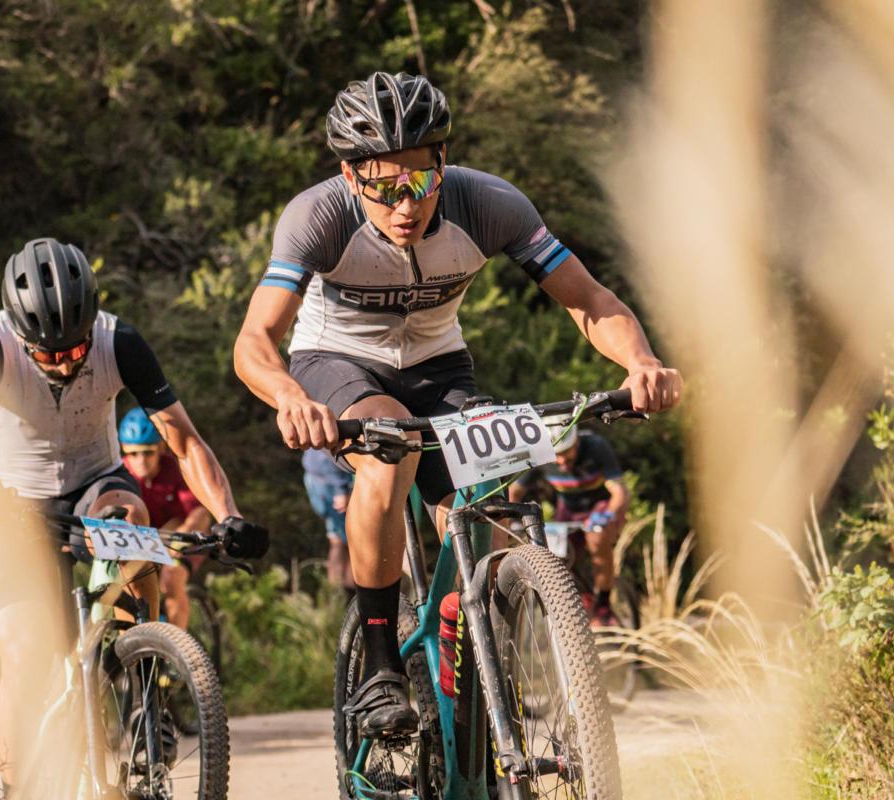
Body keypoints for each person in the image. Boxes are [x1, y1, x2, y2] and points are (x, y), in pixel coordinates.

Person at [232, 71, 682, 739]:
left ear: (442, 161)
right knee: (390, 455)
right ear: (351, 177)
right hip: (336, 361)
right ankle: (380, 664)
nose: (406, 204)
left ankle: (466, 655)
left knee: (487, 504)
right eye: (384, 187)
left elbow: (588, 300)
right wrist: (290, 398)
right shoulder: (317, 216)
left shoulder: (489, 204)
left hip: (440, 365)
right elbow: (254, 341)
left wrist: (640, 362)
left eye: (420, 180)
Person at [0, 237, 266, 795]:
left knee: (130, 515)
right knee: (22, 650)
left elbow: (183, 442)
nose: (66, 362)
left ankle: (145, 681)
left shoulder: (118, 341)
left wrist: (227, 514)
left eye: (76, 348)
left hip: (94, 481)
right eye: (49, 354)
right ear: (22, 336)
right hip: (9, 496)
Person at [508, 421, 628, 627]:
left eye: (567, 453)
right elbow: (514, 492)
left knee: (596, 538)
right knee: (554, 555)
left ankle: (603, 606)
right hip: (569, 510)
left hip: (599, 506)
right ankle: (580, 596)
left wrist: (607, 516)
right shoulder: (538, 455)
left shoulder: (596, 446)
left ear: (577, 442)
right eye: (557, 454)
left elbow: (620, 492)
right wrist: (510, 520)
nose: (562, 461)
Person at [118, 407, 213, 629]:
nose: (141, 460)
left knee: (172, 580)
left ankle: (177, 645)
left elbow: (200, 514)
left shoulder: (175, 469)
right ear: (123, 449)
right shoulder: (119, 473)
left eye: (148, 452)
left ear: (160, 448)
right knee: (125, 586)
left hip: (177, 538)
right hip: (141, 543)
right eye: (133, 453)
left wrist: (181, 536)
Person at [301, 448, 355, 594]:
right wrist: (341, 489)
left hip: (316, 478)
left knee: (337, 538)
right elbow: (329, 452)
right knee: (353, 540)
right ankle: (350, 592)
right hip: (330, 483)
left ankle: (338, 592)